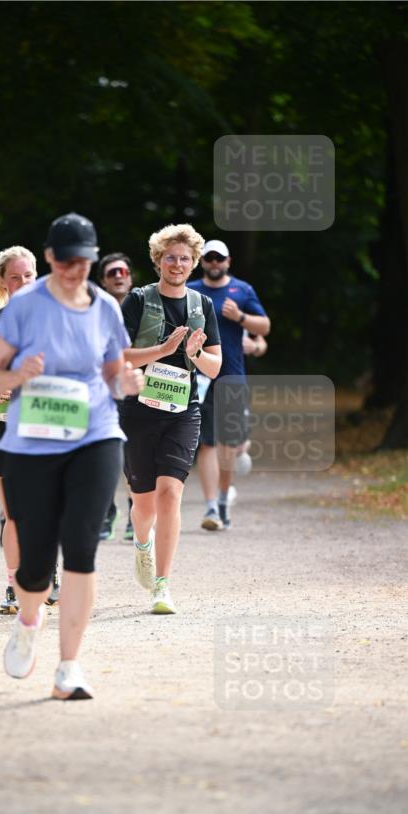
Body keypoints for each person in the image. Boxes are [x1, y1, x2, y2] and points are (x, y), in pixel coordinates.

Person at [0, 212, 143, 700]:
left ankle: (69, 667)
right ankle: (29, 620)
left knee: (82, 547)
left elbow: (114, 372)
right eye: (66, 260)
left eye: (84, 261)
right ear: (49, 258)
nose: (75, 269)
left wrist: (126, 383)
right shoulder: (25, 306)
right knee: (35, 559)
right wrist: (17, 376)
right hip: (31, 442)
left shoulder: (106, 310)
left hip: (95, 435)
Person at [120, 224, 221, 614]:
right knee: (143, 503)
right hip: (139, 410)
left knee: (171, 493)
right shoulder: (138, 300)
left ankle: (162, 584)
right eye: (170, 257)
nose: (177, 264)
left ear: (194, 263)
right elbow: (120, 355)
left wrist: (194, 355)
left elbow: (215, 367)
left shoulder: (202, 306)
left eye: (184, 258)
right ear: (158, 260)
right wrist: (162, 349)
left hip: (183, 410)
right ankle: (142, 543)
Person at [0, 245, 62, 615]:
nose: (23, 282)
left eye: (28, 275)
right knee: (15, 512)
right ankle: (13, 585)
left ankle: (46, 572)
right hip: (3, 428)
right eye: (14, 277)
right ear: (4, 284)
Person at [188, 239, 271, 530]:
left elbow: (265, 326)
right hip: (199, 376)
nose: (213, 263)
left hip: (231, 374)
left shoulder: (241, 290)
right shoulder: (191, 291)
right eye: (208, 258)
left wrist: (241, 317)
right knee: (206, 443)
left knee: (227, 443)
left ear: (228, 261)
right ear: (202, 262)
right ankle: (211, 507)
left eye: (218, 258)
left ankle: (223, 498)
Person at [97, 253, 135, 542]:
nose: (119, 276)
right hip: (104, 393)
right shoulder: (95, 309)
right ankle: (107, 512)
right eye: (112, 273)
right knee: (105, 455)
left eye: (123, 271)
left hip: (137, 392)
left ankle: (137, 511)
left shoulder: (146, 307)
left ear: (131, 276)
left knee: (134, 457)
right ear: (103, 281)